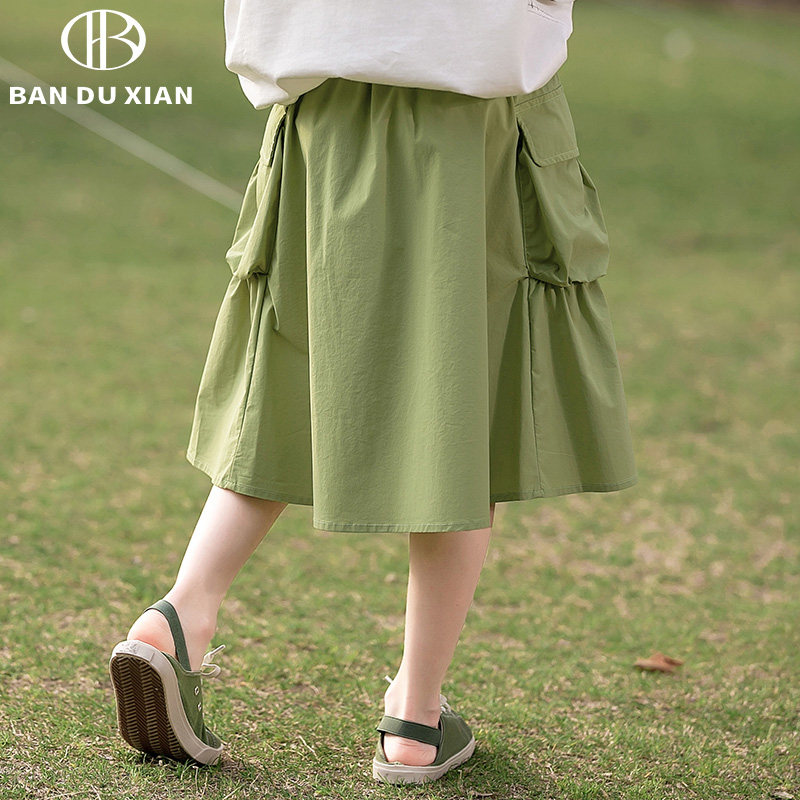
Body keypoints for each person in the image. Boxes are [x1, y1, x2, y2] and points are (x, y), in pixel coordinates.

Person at [109, 0, 638, 785]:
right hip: (474, 120)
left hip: (323, 116)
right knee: (466, 406)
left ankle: (181, 614)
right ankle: (415, 719)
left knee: (294, 376)